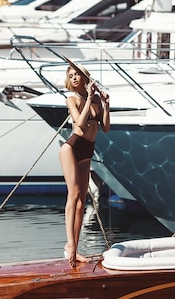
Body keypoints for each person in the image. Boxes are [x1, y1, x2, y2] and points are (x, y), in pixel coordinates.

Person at [59, 63, 110, 267]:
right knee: (73, 195)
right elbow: (79, 124)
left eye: (76, 75)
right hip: (71, 148)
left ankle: (75, 248)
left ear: (84, 77)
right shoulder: (71, 99)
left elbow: (105, 127)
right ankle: (69, 246)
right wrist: (88, 98)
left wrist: (105, 104)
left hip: (87, 150)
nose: (73, 78)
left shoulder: (96, 100)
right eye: (70, 76)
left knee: (82, 201)